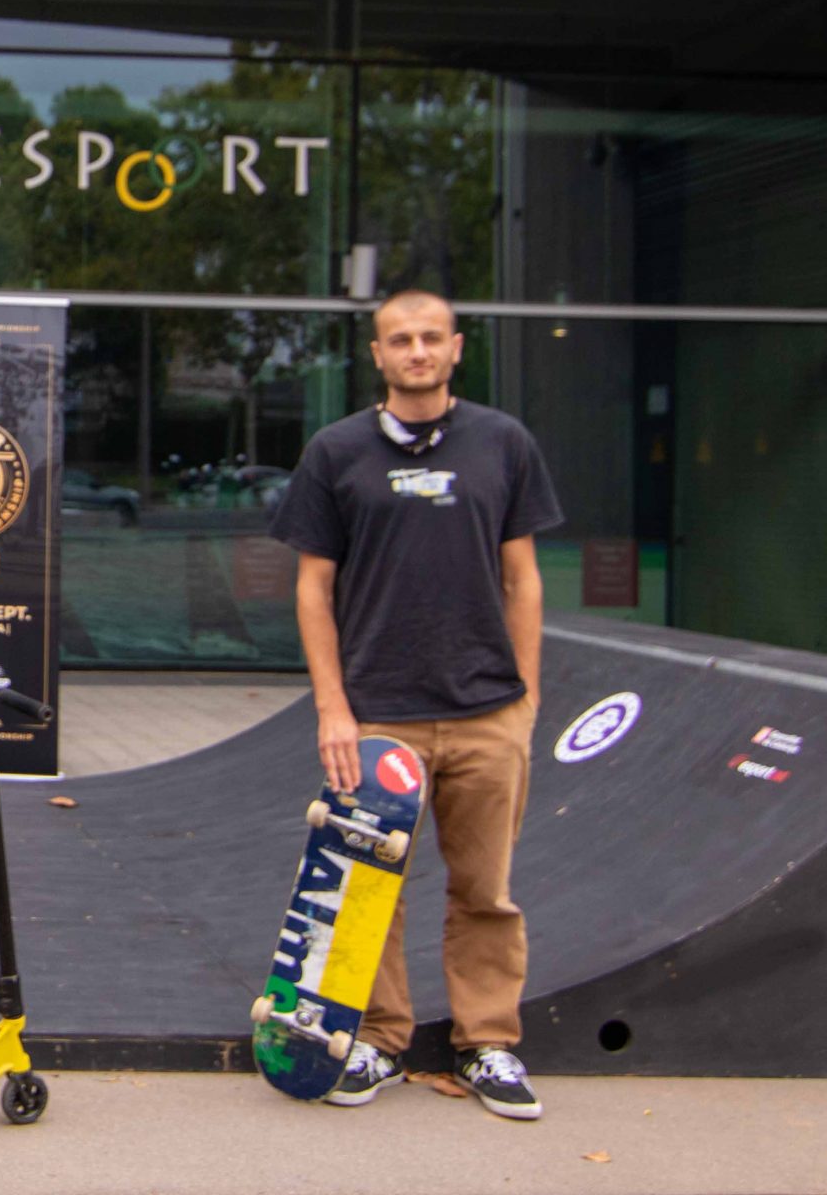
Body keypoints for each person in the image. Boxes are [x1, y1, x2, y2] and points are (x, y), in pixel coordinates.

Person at [265, 289, 563, 1120]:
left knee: (486, 891)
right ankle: (378, 1040)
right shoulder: (336, 451)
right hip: (378, 712)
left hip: (485, 710)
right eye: (402, 339)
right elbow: (313, 590)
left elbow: (523, 578)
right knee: (372, 891)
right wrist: (332, 709)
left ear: (457, 348)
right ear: (377, 354)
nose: (418, 351)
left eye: (432, 338)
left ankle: (488, 1045)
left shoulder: (503, 442)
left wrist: (528, 696)